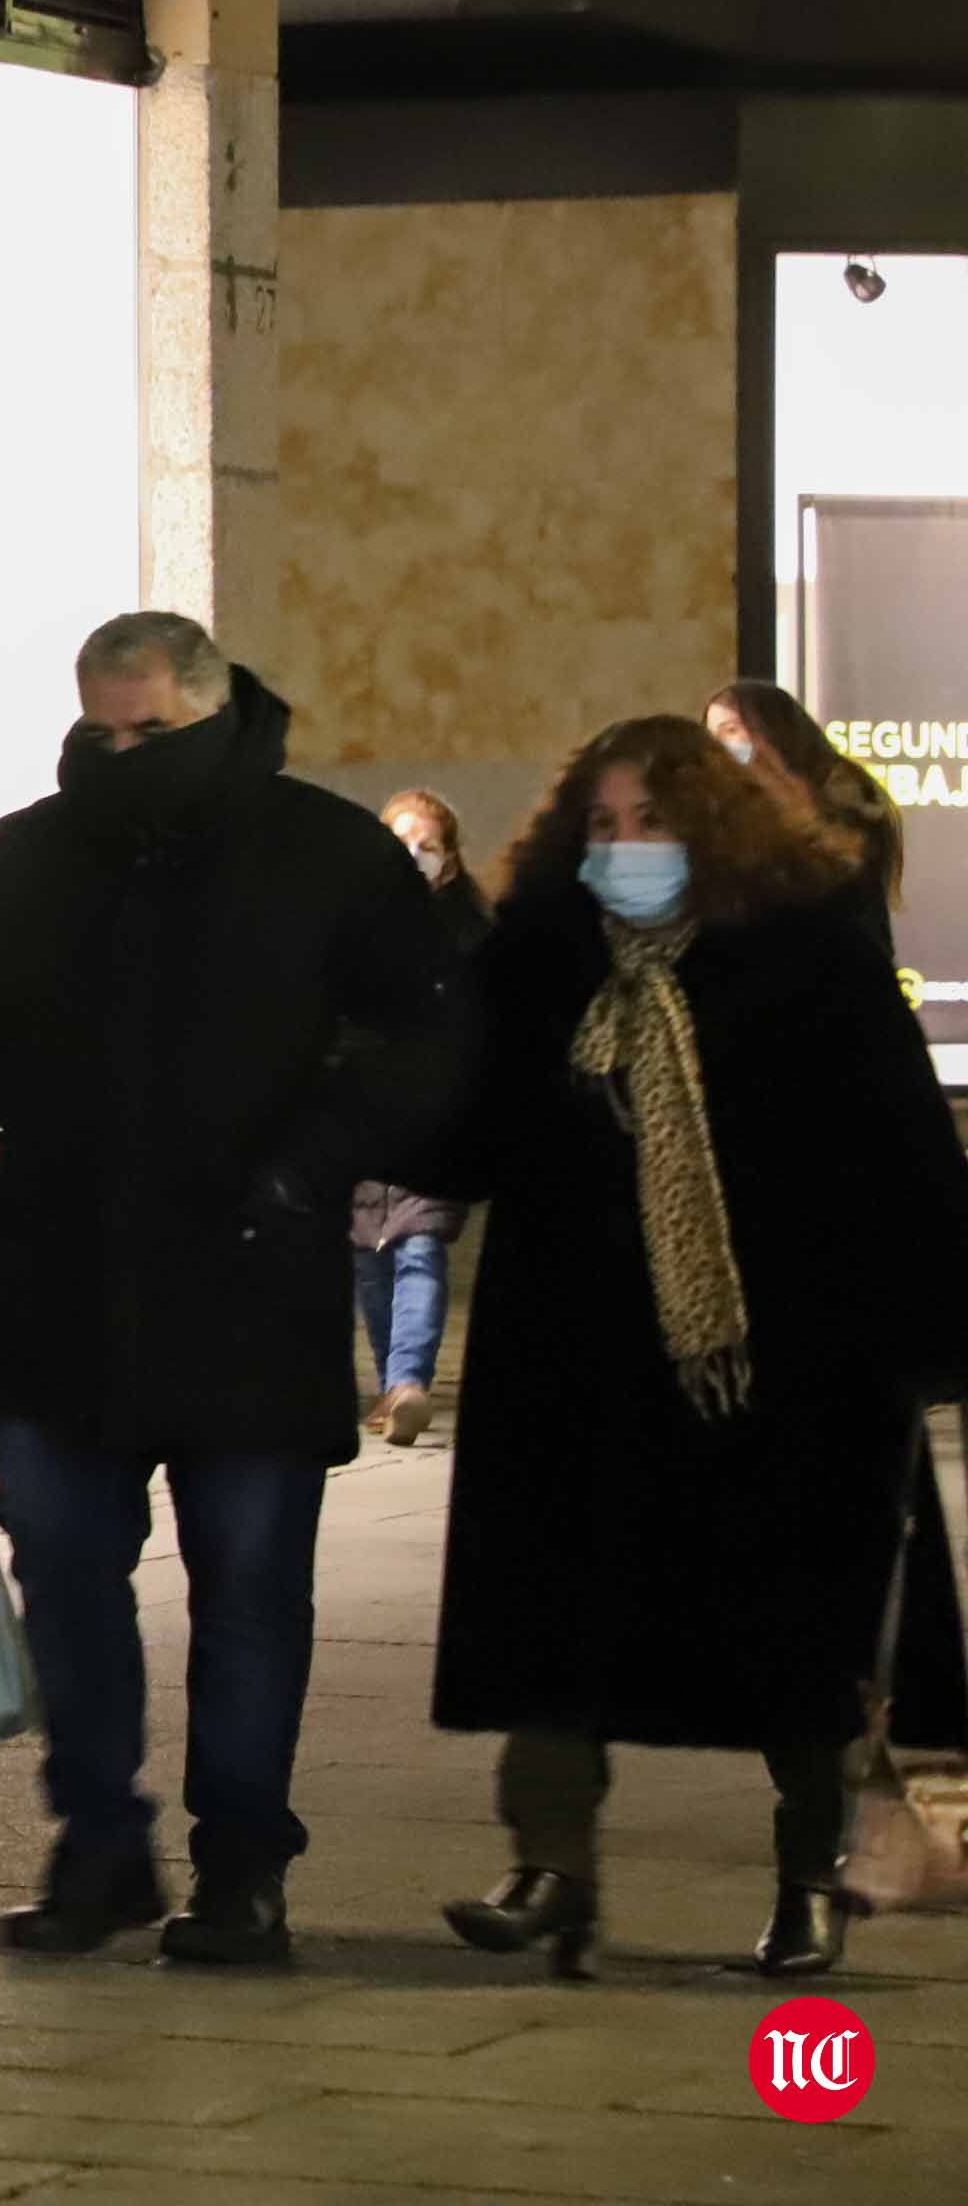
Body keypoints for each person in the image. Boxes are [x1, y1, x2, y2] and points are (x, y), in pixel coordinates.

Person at [0, 613, 461, 1968]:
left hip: (250, 1285)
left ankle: (243, 1866)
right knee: (67, 1574)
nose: (120, 753)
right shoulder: (35, 853)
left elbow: (426, 1041)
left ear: (211, 710)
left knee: (251, 1592)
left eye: (149, 732)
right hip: (61, 1285)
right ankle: (101, 1846)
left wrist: (310, 1169)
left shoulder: (324, 852)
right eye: (101, 730)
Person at [420, 716, 968, 1980]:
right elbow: (467, 1131)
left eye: (649, 822)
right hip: (574, 1352)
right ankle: (549, 1864)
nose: (624, 848)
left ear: (707, 828)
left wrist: (922, 1332)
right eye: (602, 825)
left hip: (773, 1359)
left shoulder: (805, 951)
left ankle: (806, 1877)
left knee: (794, 1632)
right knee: (554, 1623)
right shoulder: (540, 960)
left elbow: (898, 1152)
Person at [351, 791, 493, 1448]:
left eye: (428, 845)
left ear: (453, 861)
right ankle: (394, 1383)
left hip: (434, 1121)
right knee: (370, 1260)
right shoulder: (346, 930)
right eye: (402, 842)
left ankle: (407, 1379)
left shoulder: (470, 939)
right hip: (362, 1124)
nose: (414, 857)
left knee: (419, 1248)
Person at [707, 678, 906, 933]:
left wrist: (780, 788)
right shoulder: (734, 799)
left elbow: (846, 866)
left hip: (844, 943)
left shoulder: (844, 786)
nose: (719, 745)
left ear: (770, 728)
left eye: (731, 730)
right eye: (712, 735)